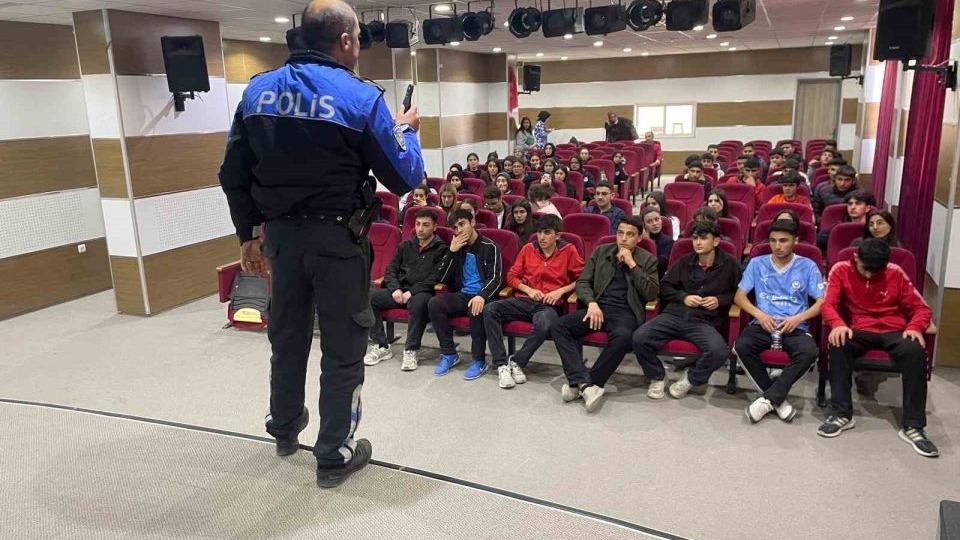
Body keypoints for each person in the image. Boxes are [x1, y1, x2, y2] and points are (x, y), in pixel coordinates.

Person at [218, 0, 423, 488]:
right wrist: (406, 131)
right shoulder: (360, 98)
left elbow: (232, 174)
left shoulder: (256, 92)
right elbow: (404, 176)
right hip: (338, 242)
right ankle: (334, 452)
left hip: (281, 242)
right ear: (347, 41)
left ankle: (284, 429)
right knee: (344, 344)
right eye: (357, 39)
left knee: (286, 337)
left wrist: (247, 234)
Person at [819, 239, 937, 457]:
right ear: (856, 258)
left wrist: (914, 326)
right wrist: (838, 324)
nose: (869, 276)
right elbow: (827, 304)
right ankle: (842, 413)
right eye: (865, 270)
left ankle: (914, 425)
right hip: (859, 327)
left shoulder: (895, 272)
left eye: (876, 271)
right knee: (838, 343)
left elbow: (921, 308)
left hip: (895, 329)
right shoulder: (841, 269)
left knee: (915, 352)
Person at [552, 216, 660, 412]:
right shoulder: (602, 251)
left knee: (624, 337)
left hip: (625, 312)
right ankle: (584, 384)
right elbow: (583, 282)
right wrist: (592, 303)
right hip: (597, 307)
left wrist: (632, 264)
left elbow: (651, 293)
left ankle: (586, 383)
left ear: (639, 238)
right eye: (620, 233)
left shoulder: (648, 260)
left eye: (630, 235)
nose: (624, 239)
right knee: (559, 327)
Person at [633, 221, 741, 399]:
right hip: (674, 314)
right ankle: (657, 376)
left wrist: (719, 300)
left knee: (719, 352)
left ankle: (691, 379)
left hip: (703, 321)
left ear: (715, 241)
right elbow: (665, 287)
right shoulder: (684, 261)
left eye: (703, 239)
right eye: (695, 238)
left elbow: (738, 294)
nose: (698, 242)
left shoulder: (730, 264)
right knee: (639, 338)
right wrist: (683, 297)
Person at [734, 220, 824, 424]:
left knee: (809, 352)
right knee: (742, 346)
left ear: (795, 241)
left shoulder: (807, 266)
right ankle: (776, 398)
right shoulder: (757, 263)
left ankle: (767, 400)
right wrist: (760, 314)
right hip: (762, 324)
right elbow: (739, 296)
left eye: (783, 241)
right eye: (773, 241)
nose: (777, 245)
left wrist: (798, 318)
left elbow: (822, 301)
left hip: (794, 325)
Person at [484, 215, 585, 389]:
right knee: (490, 309)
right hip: (525, 299)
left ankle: (516, 361)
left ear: (557, 235)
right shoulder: (528, 249)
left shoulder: (569, 250)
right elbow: (511, 276)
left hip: (549, 305)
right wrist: (528, 289)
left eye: (547, 233)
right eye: (539, 232)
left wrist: (560, 291)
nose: (542, 237)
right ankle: (501, 364)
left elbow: (583, 278)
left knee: (545, 324)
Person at [365, 209, 447, 371]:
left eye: (425, 225)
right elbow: (390, 270)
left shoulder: (441, 249)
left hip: (421, 292)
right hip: (400, 291)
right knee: (369, 297)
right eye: (417, 224)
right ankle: (381, 345)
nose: (420, 229)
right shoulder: (405, 246)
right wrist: (395, 289)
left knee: (419, 303)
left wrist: (412, 291)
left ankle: (411, 349)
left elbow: (436, 277)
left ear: (435, 227)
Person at [429, 209, 503, 380]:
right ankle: (449, 354)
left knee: (476, 308)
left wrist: (482, 295)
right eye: (455, 228)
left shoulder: (490, 247)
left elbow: (495, 279)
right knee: (434, 303)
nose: (459, 230)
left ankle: (479, 360)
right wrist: (451, 252)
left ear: (473, 223)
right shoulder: (456, 247)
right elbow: (441, 277)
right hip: (463, 295)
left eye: (462, 224)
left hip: (483, 296)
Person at [641, 206, 674, 278]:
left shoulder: (669, 241)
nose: (654, 223)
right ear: (644, 225)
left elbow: (659, 267)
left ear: (661, 220)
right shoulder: (639, 241)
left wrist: (649, 242)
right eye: (649, 221)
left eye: (657, 219)